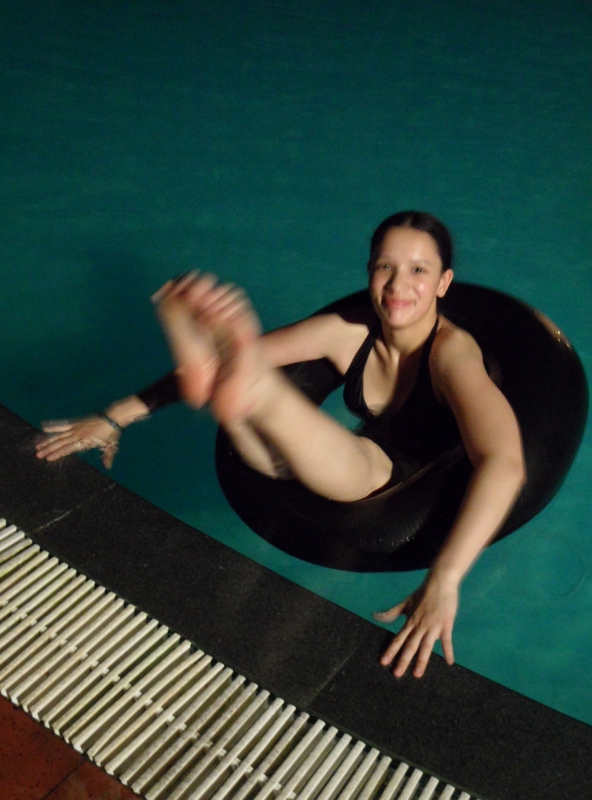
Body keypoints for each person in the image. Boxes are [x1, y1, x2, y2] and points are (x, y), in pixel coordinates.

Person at [36, 212, 526, 678]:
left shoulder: (452, 356)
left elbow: (504, 462)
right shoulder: (346, 332)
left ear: (443, 282)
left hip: (403, 478)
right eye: (385, 267)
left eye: (419, 270)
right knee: (277, 454)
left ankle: (253, 390)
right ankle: (239, 388)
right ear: (369, 272)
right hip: (348, 456)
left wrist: (445, 578)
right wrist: (113, 417)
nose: (398, 285)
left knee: (364, 466)